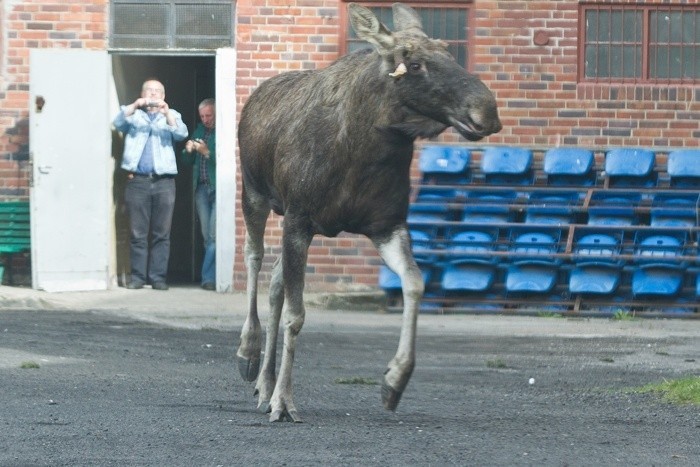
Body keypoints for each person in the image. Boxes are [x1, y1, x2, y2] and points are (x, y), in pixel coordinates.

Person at [113, 79, 188, 291]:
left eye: (157, 92)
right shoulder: (133, 115)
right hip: (137, 180)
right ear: (142, 93)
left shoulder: (172, 115)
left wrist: (166, 113)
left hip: (164, 182)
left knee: (161, 233)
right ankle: (138, 277)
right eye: (149, 91)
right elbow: (117, 122)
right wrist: (135, 105)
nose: (153, 95)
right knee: (137, 232)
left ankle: (158, 278)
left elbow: (181, 134)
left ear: (163, 96)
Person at [182, 98, 216, 291]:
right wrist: (188, 150)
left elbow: (224, 160)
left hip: (217, 188)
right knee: (206, 236)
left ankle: (208, 278)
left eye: (209, 115)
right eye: (202, 116)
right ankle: (210, 276)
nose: (205, 119)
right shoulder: (199, 131)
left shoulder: (223, 132)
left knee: (213, 236)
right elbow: (186, 162)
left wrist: (206, 152)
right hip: (201, 189)